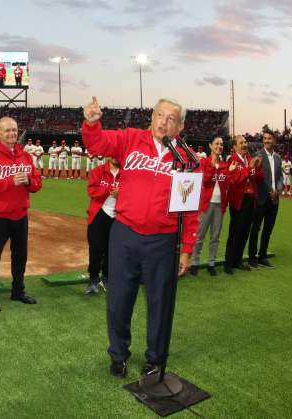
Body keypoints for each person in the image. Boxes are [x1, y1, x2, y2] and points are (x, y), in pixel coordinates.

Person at [81, 97, 199, 378]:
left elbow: (191, 207)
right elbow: (97, 145)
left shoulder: (188, 160)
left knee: (161, 302)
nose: (163, 121)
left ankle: (155, 359)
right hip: (125, 233)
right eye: (159, 114)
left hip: (164, 239)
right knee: (119, 299)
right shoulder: (131, 139)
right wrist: (92, 122)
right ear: (152, 116)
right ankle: (118, 354)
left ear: (179, 127)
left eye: (171, 118)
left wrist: (187, 248)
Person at [0, 117, 42, 311]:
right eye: (7, 130)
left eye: (14, 130)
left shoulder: (25, 155)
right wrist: (10, 182)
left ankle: (18, 291)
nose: (12, 133)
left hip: (20, 214)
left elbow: (38, 184)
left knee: (20, 256)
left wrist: (28, 181)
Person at [190, 137, 233, 277]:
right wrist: (214, 168)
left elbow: (227, 183)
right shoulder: (203, 162)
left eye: (221, 144)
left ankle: (211, 263)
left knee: (215, 236)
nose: (219, 146)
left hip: (219, 204)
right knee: (200, 235)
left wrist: (228, 172)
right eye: (216, 143)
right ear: (210, 146)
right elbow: (205, 180)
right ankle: (194, 263)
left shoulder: (225, 165)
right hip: (206, 204)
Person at [223, 135, 264, 275]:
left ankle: (238, 260)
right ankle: (228, 263)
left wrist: (257, 168)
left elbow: (258, 177)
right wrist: (250, 168)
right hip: (238, 201)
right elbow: (236, 179)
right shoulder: (232, 160)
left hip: (250, 200)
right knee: (235, 232)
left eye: (245, 142)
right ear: (234, 147)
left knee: (245, 232)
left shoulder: (248, 159)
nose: (245, 144)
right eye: (241, 142)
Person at [84, 157, 120, 294]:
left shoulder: (127, 173)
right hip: (99, 214)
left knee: (112, 250)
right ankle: (93, 279)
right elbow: (92, 192)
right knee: (95, 249)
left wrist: (120, 193)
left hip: (118, 216)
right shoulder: (98, 171)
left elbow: (134, 194)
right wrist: (110, 189)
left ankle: (106, 279)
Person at [248, 129, 282, 269]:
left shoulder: (278, 158)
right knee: (256, 228)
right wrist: (270, 191)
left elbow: (280, 177)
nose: (267, 140)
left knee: (268, 229)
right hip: (262, 197)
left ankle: (263, 256)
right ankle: (252, 257)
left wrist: (278, 190)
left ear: (274, 140)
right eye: (265, 138)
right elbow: (256, 178)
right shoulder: (257, 155)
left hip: (274, 199)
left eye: (270, 138)